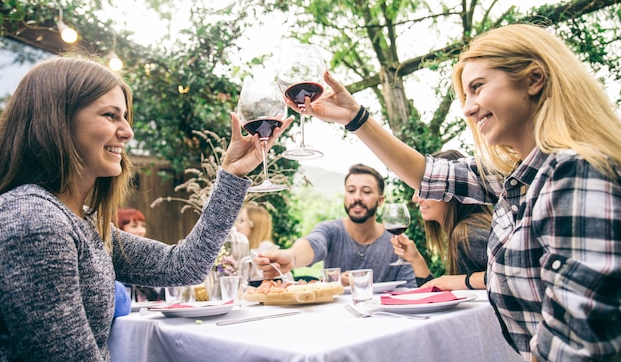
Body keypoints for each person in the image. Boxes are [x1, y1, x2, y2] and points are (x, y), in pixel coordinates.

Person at [294, 24, 621, 361]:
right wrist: (353, 116)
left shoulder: (572, 172)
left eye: (477, 88)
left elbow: (580, 348)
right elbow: (428, 175)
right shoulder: (519, 177)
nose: (467, 108)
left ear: (534, 79)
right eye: (467, 96)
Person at [0, 56, 292, 360]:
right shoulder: (34, 220)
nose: (128, 131)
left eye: (125, 117)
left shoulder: (82, 221)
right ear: (56, 121)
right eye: (111, 115)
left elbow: (183, 265)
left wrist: (232, 174)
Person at [255, 163, 417, 288]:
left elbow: (410, 290)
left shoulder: (397, 242)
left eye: (366, 192)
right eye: (351, 190)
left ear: (380, 200)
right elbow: (313, 244)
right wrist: (291, 257)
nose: (357, 197)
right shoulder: (331, 230)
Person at [391, 150, 492, 290]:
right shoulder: (463, 231)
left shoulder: (467, 234)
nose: (415, 198)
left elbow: (511, 277)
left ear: (452, 191)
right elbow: (441, 292)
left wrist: (463, 281)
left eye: (423, 189)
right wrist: (416, 260)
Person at [116, 208, 164, 302]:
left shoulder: (146, 257)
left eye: (142, 225)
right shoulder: (114, 261)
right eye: (134, 226)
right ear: (119, 229)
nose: (141, 231)